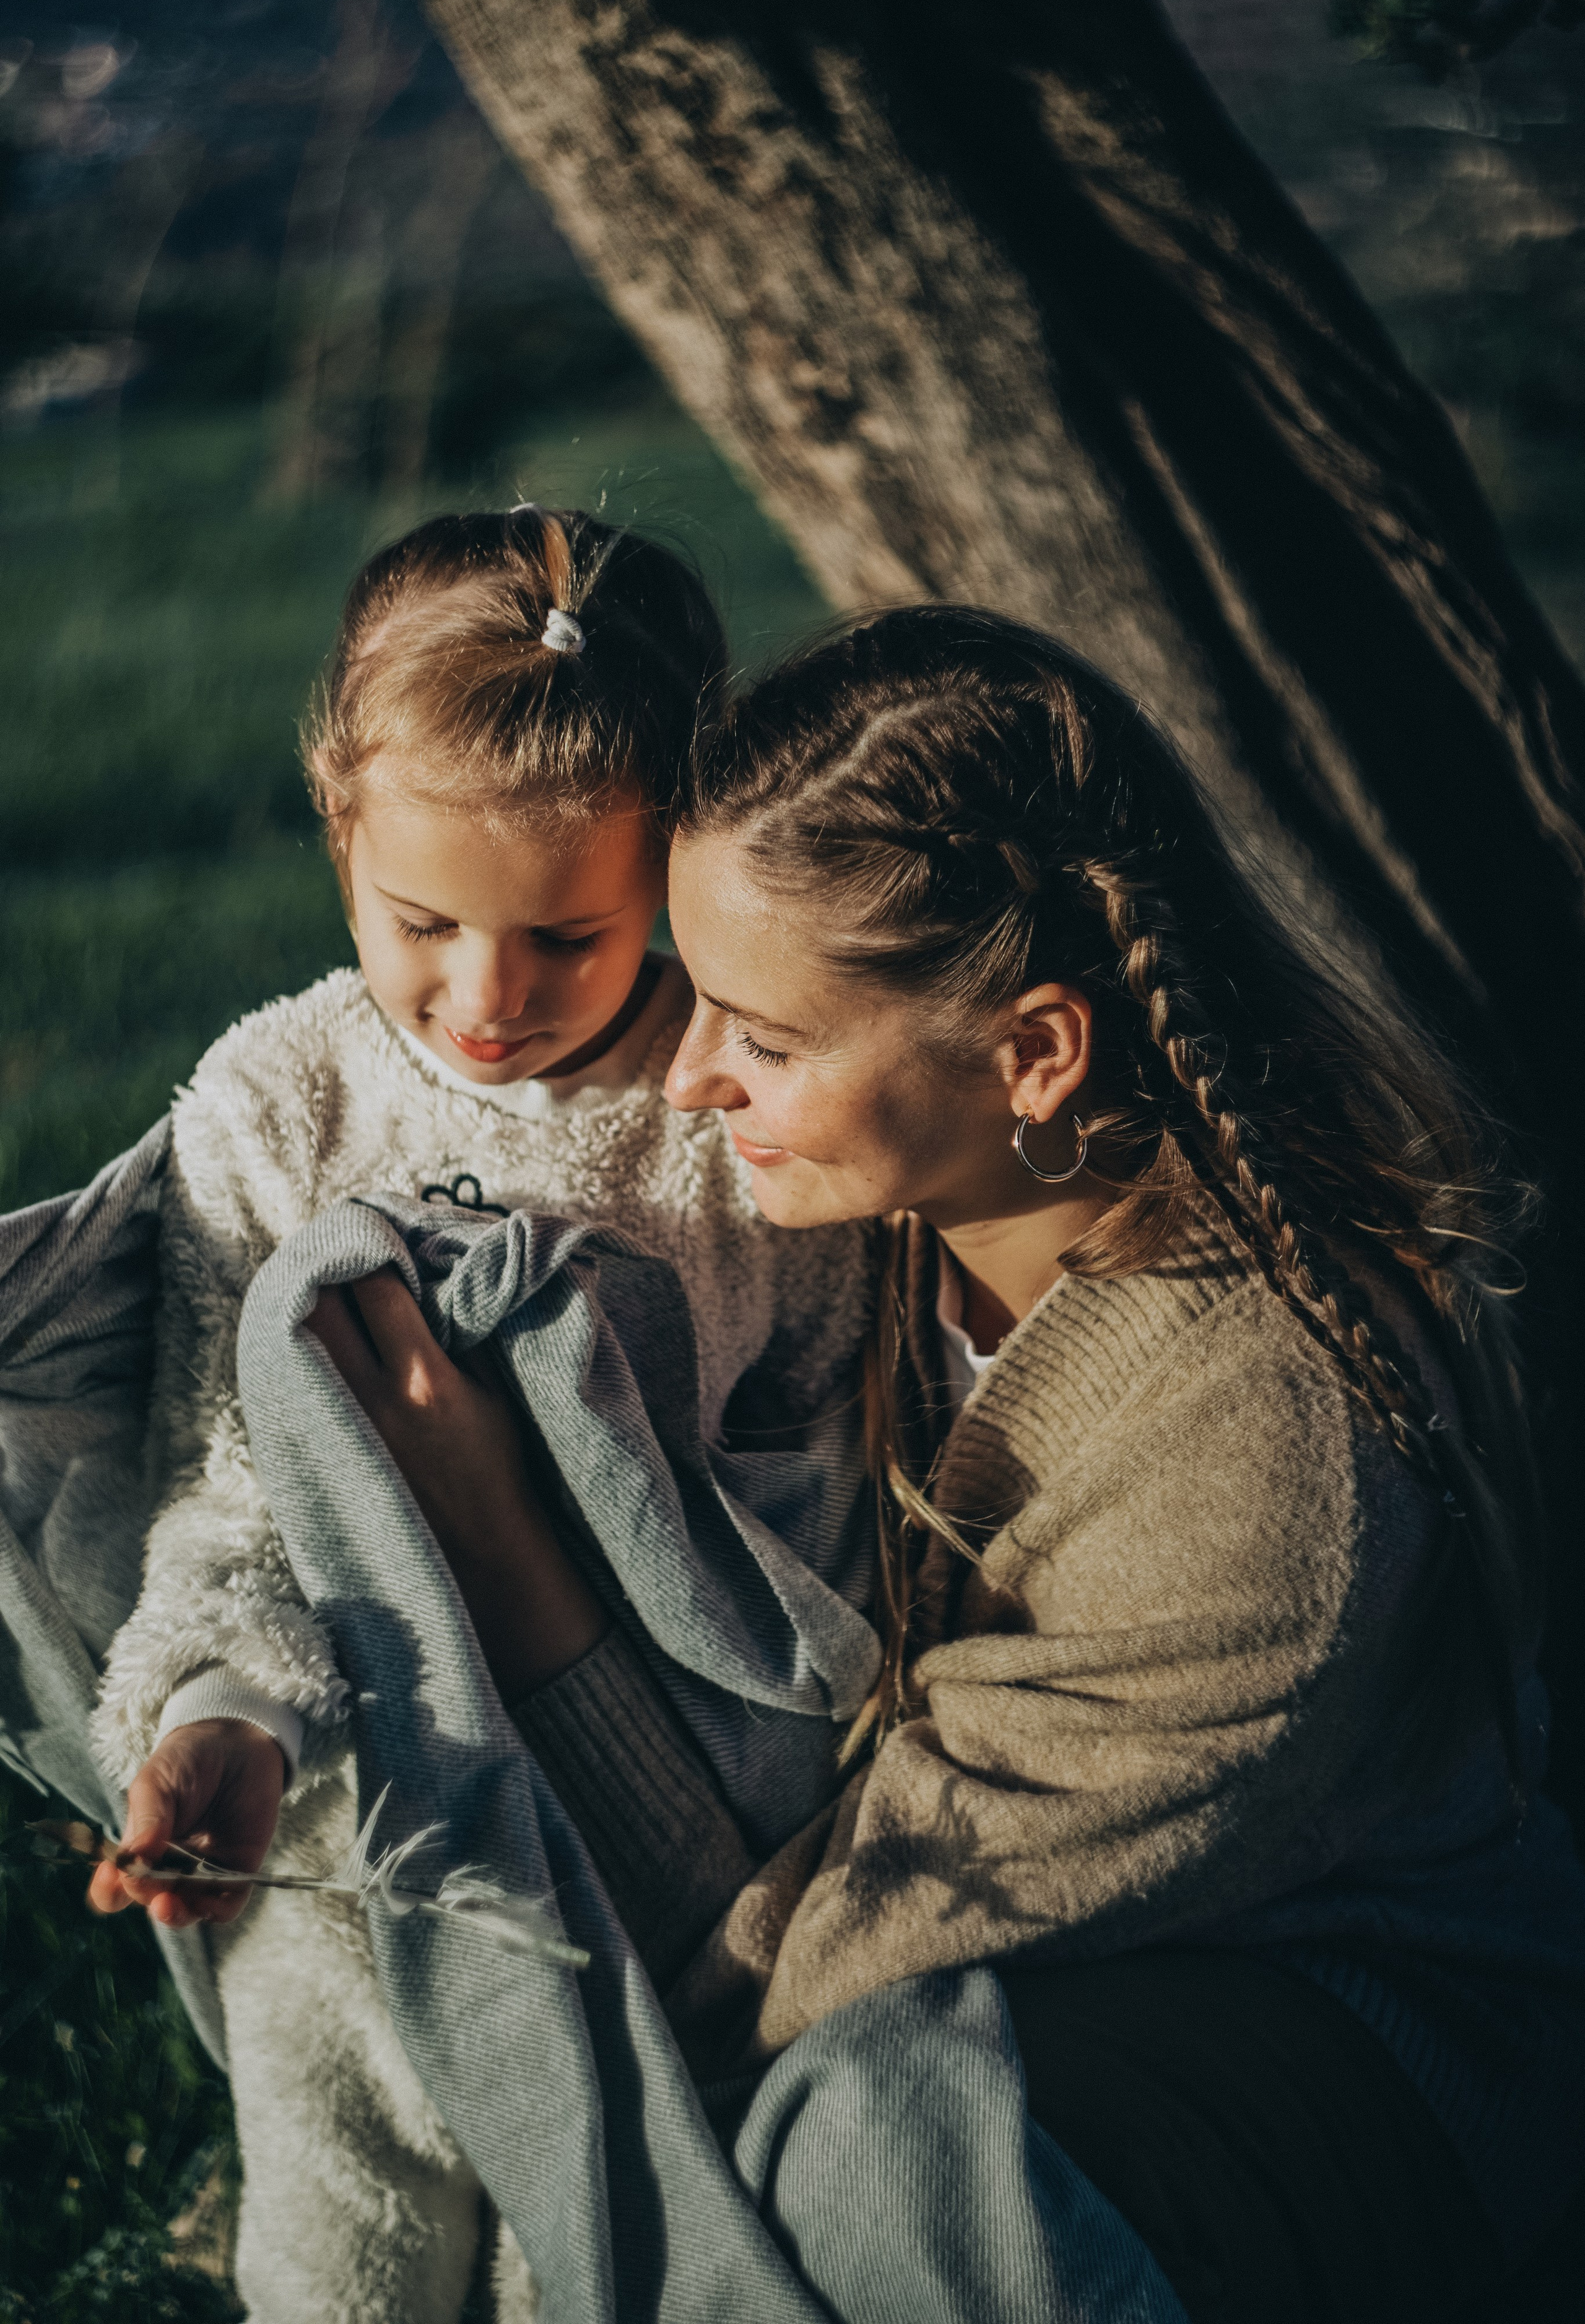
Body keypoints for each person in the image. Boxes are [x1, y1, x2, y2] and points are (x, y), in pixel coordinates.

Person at [298, 607, 1585, 2323]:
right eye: (696, 1001)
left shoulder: (1269, 1477)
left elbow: (799, 1972)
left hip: (1365, 2038)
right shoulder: (897, 1234)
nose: (687, 1081)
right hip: (1045, 1985)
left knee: (877, 2136)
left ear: (1035, 1053)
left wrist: (504, 1559)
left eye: (765, 1039)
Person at [84, 508, 871, 2323]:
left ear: (683, 863)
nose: (490, 997)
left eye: (571, 934)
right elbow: (230, 1485)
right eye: (423, 922)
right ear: (339, 828)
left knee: (583, 2249)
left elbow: (810, 1524)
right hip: (356, 1833)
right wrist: (222, 1719)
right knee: (338, 2242)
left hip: (640, 1861)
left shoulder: (739, 1110)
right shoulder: (275, 1103)